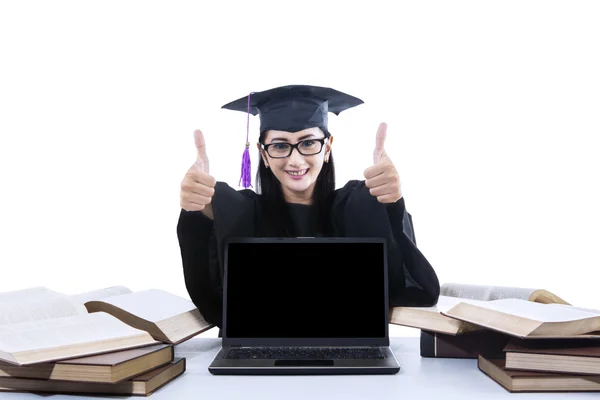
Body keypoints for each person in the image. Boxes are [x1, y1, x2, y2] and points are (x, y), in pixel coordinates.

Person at [177, 85, 440, 329]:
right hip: (260, 361)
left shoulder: (357, 207)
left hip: (350, 361)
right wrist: (197, 212)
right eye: (280, 145)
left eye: (308, 143)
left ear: (327, 148)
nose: (295, 159)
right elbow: (213, 305)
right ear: (263, 153)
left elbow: (417, 291)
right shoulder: (240, 213)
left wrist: (392, 204)